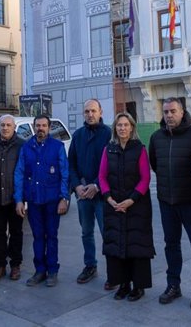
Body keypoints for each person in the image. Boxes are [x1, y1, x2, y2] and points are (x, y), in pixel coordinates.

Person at [149, 97, 191, 309]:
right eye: (166, 112)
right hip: (167, 201)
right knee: (171, 245)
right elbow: (155, 165)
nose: (169, 116)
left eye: (173, 111)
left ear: (182, 112)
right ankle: (173, 285)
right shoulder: (157, 137)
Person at [99, 112, 154, 302]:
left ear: (131, 127)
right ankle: (122, 284)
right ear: (115, 128)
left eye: (126, 125)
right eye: (119, 125)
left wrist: (131, 200)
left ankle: (138, 286)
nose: (122, 128)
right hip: (114, 206)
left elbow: (145, 178)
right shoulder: (109, 149)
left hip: (136, 206)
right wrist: (109, 198)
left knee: (136, 247)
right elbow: (102, 177)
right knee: (116, 246)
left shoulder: (140, 149)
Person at [14, 114, 70, 288]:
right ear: (34, 126)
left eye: (44, 125)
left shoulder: (57, 147)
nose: (41, 128)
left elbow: (65, 174)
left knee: (51, 236)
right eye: (38, 125)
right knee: (38, 236)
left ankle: (52, 270)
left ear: (49, 127)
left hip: (53, 200)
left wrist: (64, 198)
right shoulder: (26, 148)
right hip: (34, 199)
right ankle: (40, 271)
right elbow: (19, 174)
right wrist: (19, 200)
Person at [67, 99, 112, 288]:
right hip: (83, 195)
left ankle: (114, 271)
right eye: (86, 111)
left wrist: (96, 185)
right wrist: (77, 187)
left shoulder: (109, 134)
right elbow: (71, 164)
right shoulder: (77, 135)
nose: (90, 114)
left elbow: (112, 164)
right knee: (86, 233)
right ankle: (90, 266)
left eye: (93, 110)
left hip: (102, 195)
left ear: (100, 112)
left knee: (107, 233)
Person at [0, 114, 25, 282]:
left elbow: (26, 173)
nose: (5, 128)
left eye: (8, 125)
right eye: (2, 125)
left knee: (16, 233)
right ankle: (0, 265)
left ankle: (15, 265)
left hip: (15, 198)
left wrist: (22, 198)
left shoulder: (22, 145)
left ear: (14, 126)